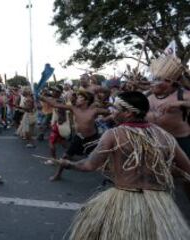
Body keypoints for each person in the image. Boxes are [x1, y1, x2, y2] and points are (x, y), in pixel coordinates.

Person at [57, 91, 190, 240]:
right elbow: (187, 168)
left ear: (128, 113)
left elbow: (88, 165)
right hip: (159, 203)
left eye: (116, 108)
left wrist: (68, 164)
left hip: (124, 199)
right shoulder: (165, 136)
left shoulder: (114, 134)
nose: (112, 112)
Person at [40, 90, 110, 180]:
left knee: (102, 160)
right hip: (78, 138)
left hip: (92, 140)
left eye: (80, 97)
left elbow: (109, 112)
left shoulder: (94, 111)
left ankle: (115, 178)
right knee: (65, 157)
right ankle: (58, 175)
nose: (77, 99)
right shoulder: (74, 108)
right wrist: (43, 98)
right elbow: (56, 105)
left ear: (86, 101)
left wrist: (107, 105)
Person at [147, 55, 190, 157]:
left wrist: (179, 103)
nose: (152, 84)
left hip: (181, 139)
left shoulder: (183, 95)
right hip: (160, 141)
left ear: (169, 82)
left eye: (157, 80)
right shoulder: (149, 96)